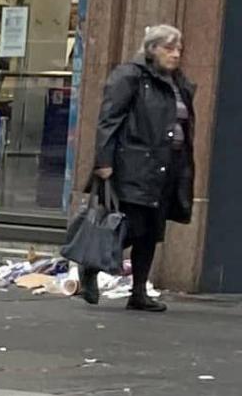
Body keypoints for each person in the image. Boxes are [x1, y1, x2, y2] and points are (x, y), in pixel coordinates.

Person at [84, 21, 196, 312]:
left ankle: (139, 291)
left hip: (168, 165)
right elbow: (109, 119)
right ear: (152, 49)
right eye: (169, 49)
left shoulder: (178, 83)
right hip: (134, 164)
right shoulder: (130, 77)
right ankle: (91, 266)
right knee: (131, 227)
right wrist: (104, 162)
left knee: (152, 232)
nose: (175, 55)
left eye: (179, 49)